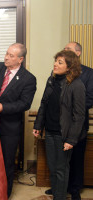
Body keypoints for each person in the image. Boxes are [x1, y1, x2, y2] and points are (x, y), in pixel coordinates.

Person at [0, 43, 37, 197]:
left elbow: (24, 104)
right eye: (7, 53)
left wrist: (2, 107)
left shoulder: (28, 79)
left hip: (9, 128)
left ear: (20, 59)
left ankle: (4, 194)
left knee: (6, 163)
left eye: (11, 56)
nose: (6, 57)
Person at [33, 50, 85, 200]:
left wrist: (71, 140)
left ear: (69, 67)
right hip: (49, 131)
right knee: (53, 167)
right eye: (56, 61)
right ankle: (57, 193)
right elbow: (44, 105)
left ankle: (60, 197)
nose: (55, 64)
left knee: (62, 168)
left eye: (60, 62)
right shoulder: (52, 80)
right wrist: (38, 125)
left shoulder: (77, 85)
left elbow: (79, 116)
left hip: (64, 135)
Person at [44, 43, 93, 200]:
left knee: (76, 161)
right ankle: (59, 190)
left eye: (68, 50)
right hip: (56, 127)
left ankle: (74, 190)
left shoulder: (87, 75)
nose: (64, 52)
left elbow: (88, 100)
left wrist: (68, 110)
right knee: (58, 165)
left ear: (76, 55)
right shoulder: (54, 76)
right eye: (63, 50)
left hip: (75, 126)